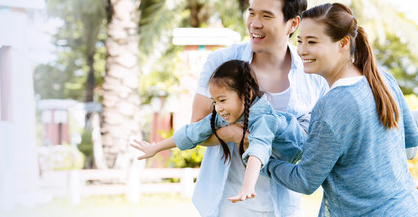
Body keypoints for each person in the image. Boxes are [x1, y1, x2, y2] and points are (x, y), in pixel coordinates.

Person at [189, 0, 328, 217]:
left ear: (292, 23)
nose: (255, 23)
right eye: (252, 13)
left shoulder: (314, 76)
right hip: (225, 202)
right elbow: (196, 128)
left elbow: (313, 145)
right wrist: (237, 135)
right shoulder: (221, 61)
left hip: (282, 205)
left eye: (267, 16)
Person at [265, 3, 418, 216]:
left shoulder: (331, 105)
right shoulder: (383, 79)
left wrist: (263, 159)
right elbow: (410, 144)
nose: (301, 51)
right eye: (299, 41)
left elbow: (305, 180)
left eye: (312, 42)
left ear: (343, 43)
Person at [131, 60, 307, 203]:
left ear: (247, 96)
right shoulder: (222, 116)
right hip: (277, 158)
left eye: (222, 100)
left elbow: (258, 151)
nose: (218, 107)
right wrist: (155, 148)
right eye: (214, 101)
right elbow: (192, 131)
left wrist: (247, 186)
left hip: (300, 143)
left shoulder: (263, 119)